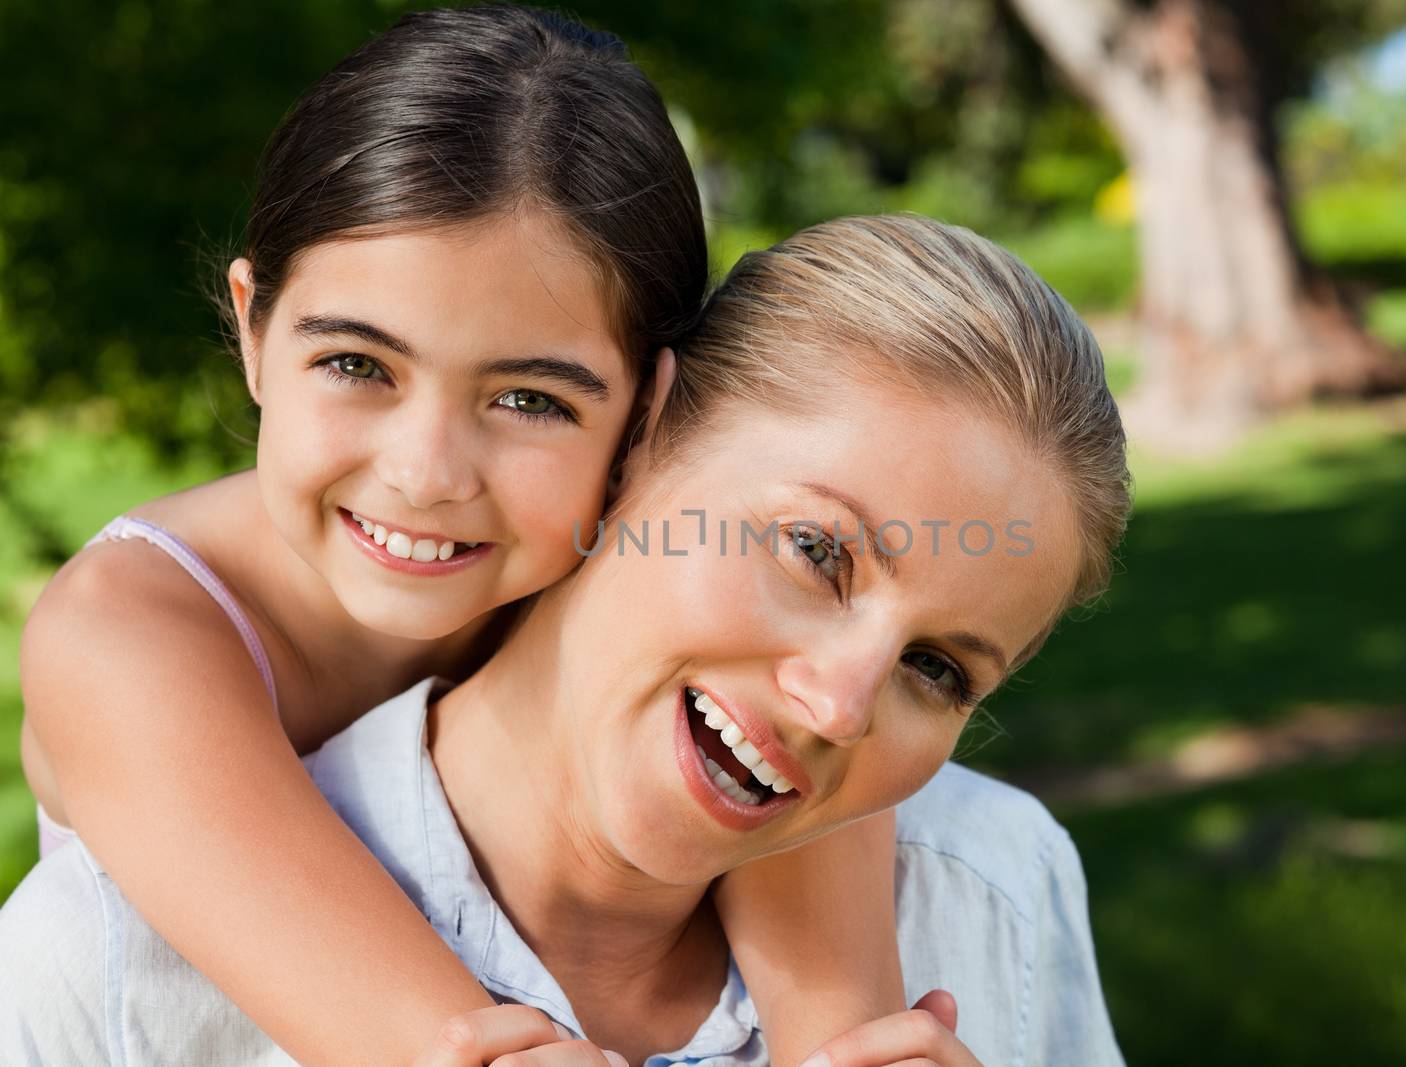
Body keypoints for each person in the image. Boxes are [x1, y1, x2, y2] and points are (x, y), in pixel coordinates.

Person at [0, 213, 1131, 1066]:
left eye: (937, 668)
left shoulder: (992, 885)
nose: (840, 703)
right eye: (813, 550)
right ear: (639, 437)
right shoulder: (107, 965)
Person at [15, 8, 911, 1064]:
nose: (425, 474)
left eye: (529, 399)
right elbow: (446, 1048)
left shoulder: (635, 566)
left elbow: (809, 777)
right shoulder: (125, 639)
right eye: (356, 364)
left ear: (648, 414)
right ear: (254, 330)